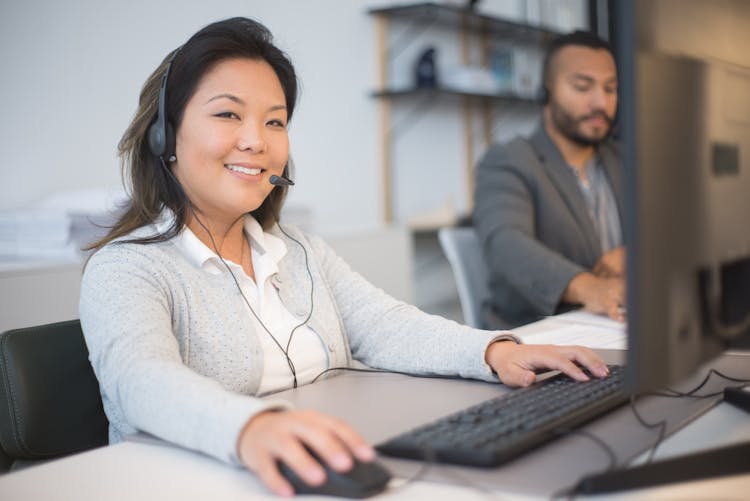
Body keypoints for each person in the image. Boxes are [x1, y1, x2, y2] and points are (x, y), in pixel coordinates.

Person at [80, 18, 609, 497]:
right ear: (164, 136)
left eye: (275, 122)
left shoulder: (300, 251)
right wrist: (249, 427)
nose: (255, 141)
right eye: (227, 114)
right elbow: (142, 380)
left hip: (316, 472)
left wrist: (491, 352)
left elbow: (384, 325)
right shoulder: (127, 268)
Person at [473, 30, 625, 330]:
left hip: (617, 329)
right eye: (583, 87)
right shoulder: (509, 160)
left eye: (610, 89)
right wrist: (590, 287)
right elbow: (506, 243)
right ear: (546, 93)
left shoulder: (626, 159)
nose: (601, 103)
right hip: (540, 337)